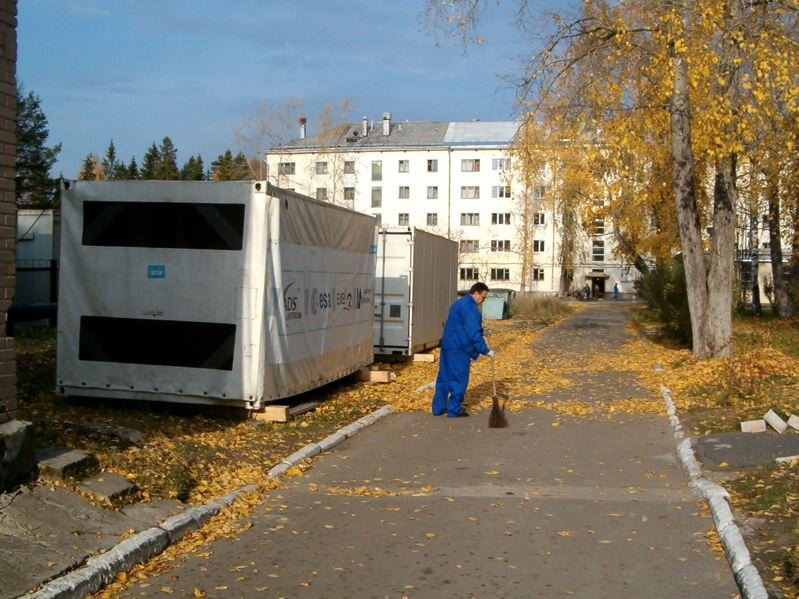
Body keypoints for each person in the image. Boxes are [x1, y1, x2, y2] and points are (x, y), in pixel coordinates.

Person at [432, 282, 494, 418]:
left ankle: (438, 407)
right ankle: (454, 409)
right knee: (459, 378)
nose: (482, 300)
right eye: (483, 297)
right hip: (460, 348)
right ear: (476, 293)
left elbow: (460, 325)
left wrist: (482, 331)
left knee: (444, 377)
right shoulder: (471, 309)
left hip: (448, 346)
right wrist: (485, 350)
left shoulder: (458, 304)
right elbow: (472, 333)